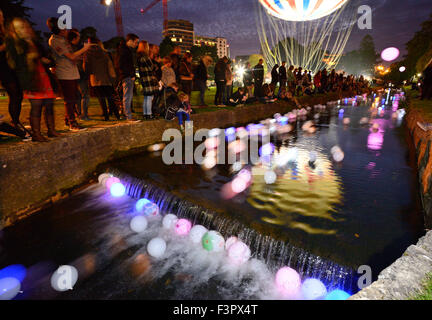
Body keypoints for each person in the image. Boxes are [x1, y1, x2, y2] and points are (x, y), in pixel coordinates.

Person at [7, 18, 60, 141]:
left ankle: (51, 130)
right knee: (36, 106)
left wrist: (45, 60)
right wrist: (29, 58)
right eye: (19, 28)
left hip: (44, 76)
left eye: (25, 27)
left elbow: (44, 56)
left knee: (49, 104)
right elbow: (14, 63)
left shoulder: (34, 42)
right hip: (31, 79)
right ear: (15, 31)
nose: (24, 30)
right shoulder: (17, 44)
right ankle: (36, 134)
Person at [47, 17, 91, 131]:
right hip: (65, 73)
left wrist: (79, 56)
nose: (66, 30)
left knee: (74, 97)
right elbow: (70, 56)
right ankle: (72, 122)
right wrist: (84, 48)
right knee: (70, 98)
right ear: (59, 29)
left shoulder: (63, 39)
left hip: (71, 71)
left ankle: (68, 120)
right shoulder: (55, 40)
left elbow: (72, 56)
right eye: (64, 28)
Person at [0, 9, 28, 138]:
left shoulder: (5, 30)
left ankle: (15, 120)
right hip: (3, 67)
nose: (1, 17)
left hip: (13, 66)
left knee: (18, 94)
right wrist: (8, 43)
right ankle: (15, 123)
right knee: (14, 92)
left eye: (2, 15)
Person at [84, 37, 120, 121]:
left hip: (95, 79)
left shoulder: (87, 53)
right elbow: (110, 67)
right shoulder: (104, 53)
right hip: (106, 79)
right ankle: (117, 115)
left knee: (101, 99)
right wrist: (113, 78)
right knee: (110, 98)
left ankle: (106, 116)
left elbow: (86, 68)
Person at [114, 33, 139, 121]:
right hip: (127, 76)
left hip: (127, 76)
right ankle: (128, 116)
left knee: (128, 96)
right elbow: (120, 64)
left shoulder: (125, 49)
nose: (136, 45)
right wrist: (130, 74)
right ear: (130, 41)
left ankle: (127, 115)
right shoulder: (124, 50)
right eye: (136, 42)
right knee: (128, 96)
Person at [67, 28, 91, 120]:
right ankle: (83, 114)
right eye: (78, 36)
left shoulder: (71, 47)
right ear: (74, 38)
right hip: (78, 73)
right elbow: (73, 58)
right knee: (84, 94)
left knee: (78, 95)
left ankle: (79, 113)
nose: (79, 38)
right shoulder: (72, 48)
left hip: (75, 73)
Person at [137, 40, 158, 120]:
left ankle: (145, 114)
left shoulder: (139, 56)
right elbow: (152, 67)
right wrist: (155, 65)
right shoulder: (145, 57)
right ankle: (149, 114)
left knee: (146, 97)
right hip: (148, 78)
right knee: (149, 97)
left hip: (143, 78)